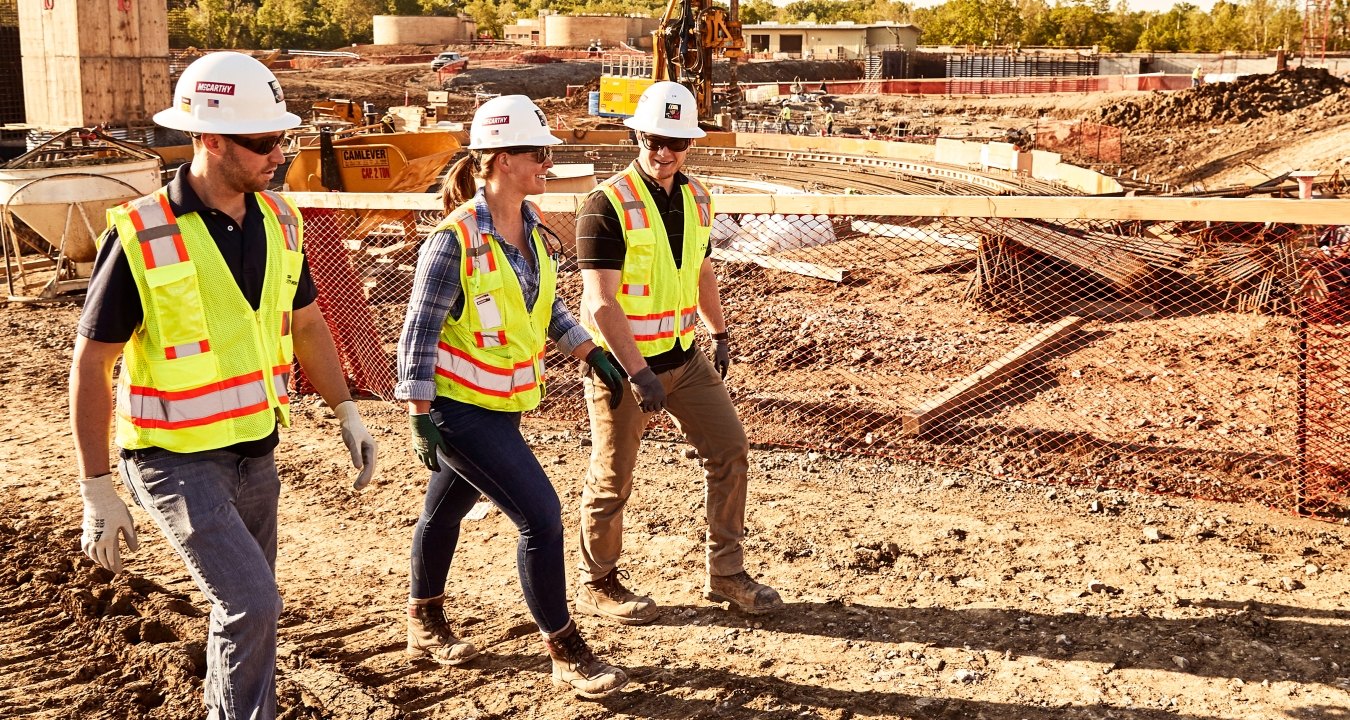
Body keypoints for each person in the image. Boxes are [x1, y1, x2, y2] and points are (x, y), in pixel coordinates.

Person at [69, 51, 379, 720]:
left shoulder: (282, 222)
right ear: (208, 139)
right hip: (173, 462)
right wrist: (97, 488)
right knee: (253, 604)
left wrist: (347, 409)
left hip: (254, 454)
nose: (277, 155)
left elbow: (306, 325)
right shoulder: (143, 234)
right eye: (263, 142)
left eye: (282, 140)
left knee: (246, 609)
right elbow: (90, 366)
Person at [395, 94, 629, 699]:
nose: (547, 163)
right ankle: (564, 646)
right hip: (458, 409)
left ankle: (423, 618)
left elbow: (543, 307)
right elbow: (419, 331)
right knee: (540, 515)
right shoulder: (454, 241)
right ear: (500, 160)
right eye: (538, 153)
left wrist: (589, 350)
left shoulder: (532, 232)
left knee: (444, 510)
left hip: (500, 402)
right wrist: (419, 415)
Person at [571, 81, 785, 626]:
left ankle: (726, 573)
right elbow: (599, 302)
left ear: (691, 144)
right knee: (613, 476)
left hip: (684, 355)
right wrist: (638, 373)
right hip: (623, 367)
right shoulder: (605, 204)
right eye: (655, 139)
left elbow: (700, 270)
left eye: (677, 142)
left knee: (730, 449)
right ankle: (599, 582)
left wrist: (719, 331)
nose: (665, 151)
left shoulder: (698, 198)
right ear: (636, 135)